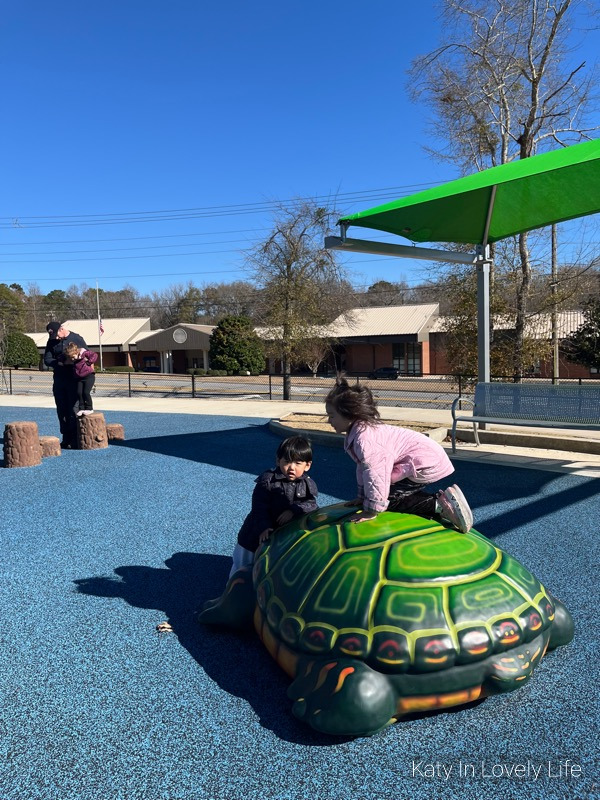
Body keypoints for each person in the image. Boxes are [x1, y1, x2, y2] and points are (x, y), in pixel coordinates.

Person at [325, 377, 473, 533]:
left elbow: (376, 475)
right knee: (389, 491)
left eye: (332, 416)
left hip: (425, 463)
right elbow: (364, 469)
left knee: (389, 500)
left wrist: (371, 509)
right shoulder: (360, 432)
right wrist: (362, 497)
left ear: (350, 414)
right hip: (421, 458)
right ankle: (443, 499)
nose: (329, 420)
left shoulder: (366, 440)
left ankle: (440, 505)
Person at [229, 435, 319, 577]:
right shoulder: (268, 481)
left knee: (269, 565)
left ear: (307, 465)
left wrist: (293, 510)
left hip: (281, 535)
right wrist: (263, 527)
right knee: (244, 561)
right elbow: (259, 507)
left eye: (298, 463)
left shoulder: (307, 484)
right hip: (256, 531)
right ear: (278, 460)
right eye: (287, 461)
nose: (291, 467)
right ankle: (234, 587)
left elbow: (311, 504)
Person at [43, 321, 87, 448]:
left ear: (61, 329)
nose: (55, 338)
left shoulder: (77, 339)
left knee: (74, 409)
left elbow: (86, 356)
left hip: (74, 380)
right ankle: (66, 437)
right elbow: (47, 359)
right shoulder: (51, 342)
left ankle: (76, 437)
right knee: (61, 410)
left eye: (56, 335)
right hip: (59, 380)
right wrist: (59, 363)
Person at [63, 342, 98, 416]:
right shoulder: (73, 359)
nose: (72, 359)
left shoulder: (84, 353)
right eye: (71, 358)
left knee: (86, 392)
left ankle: (89, 408)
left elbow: (94, 355)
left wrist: (89, 362)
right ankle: (81, 408)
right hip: (79, 378)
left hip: (89, 376)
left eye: (73, 356)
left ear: (76, 352)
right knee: (79, 393)